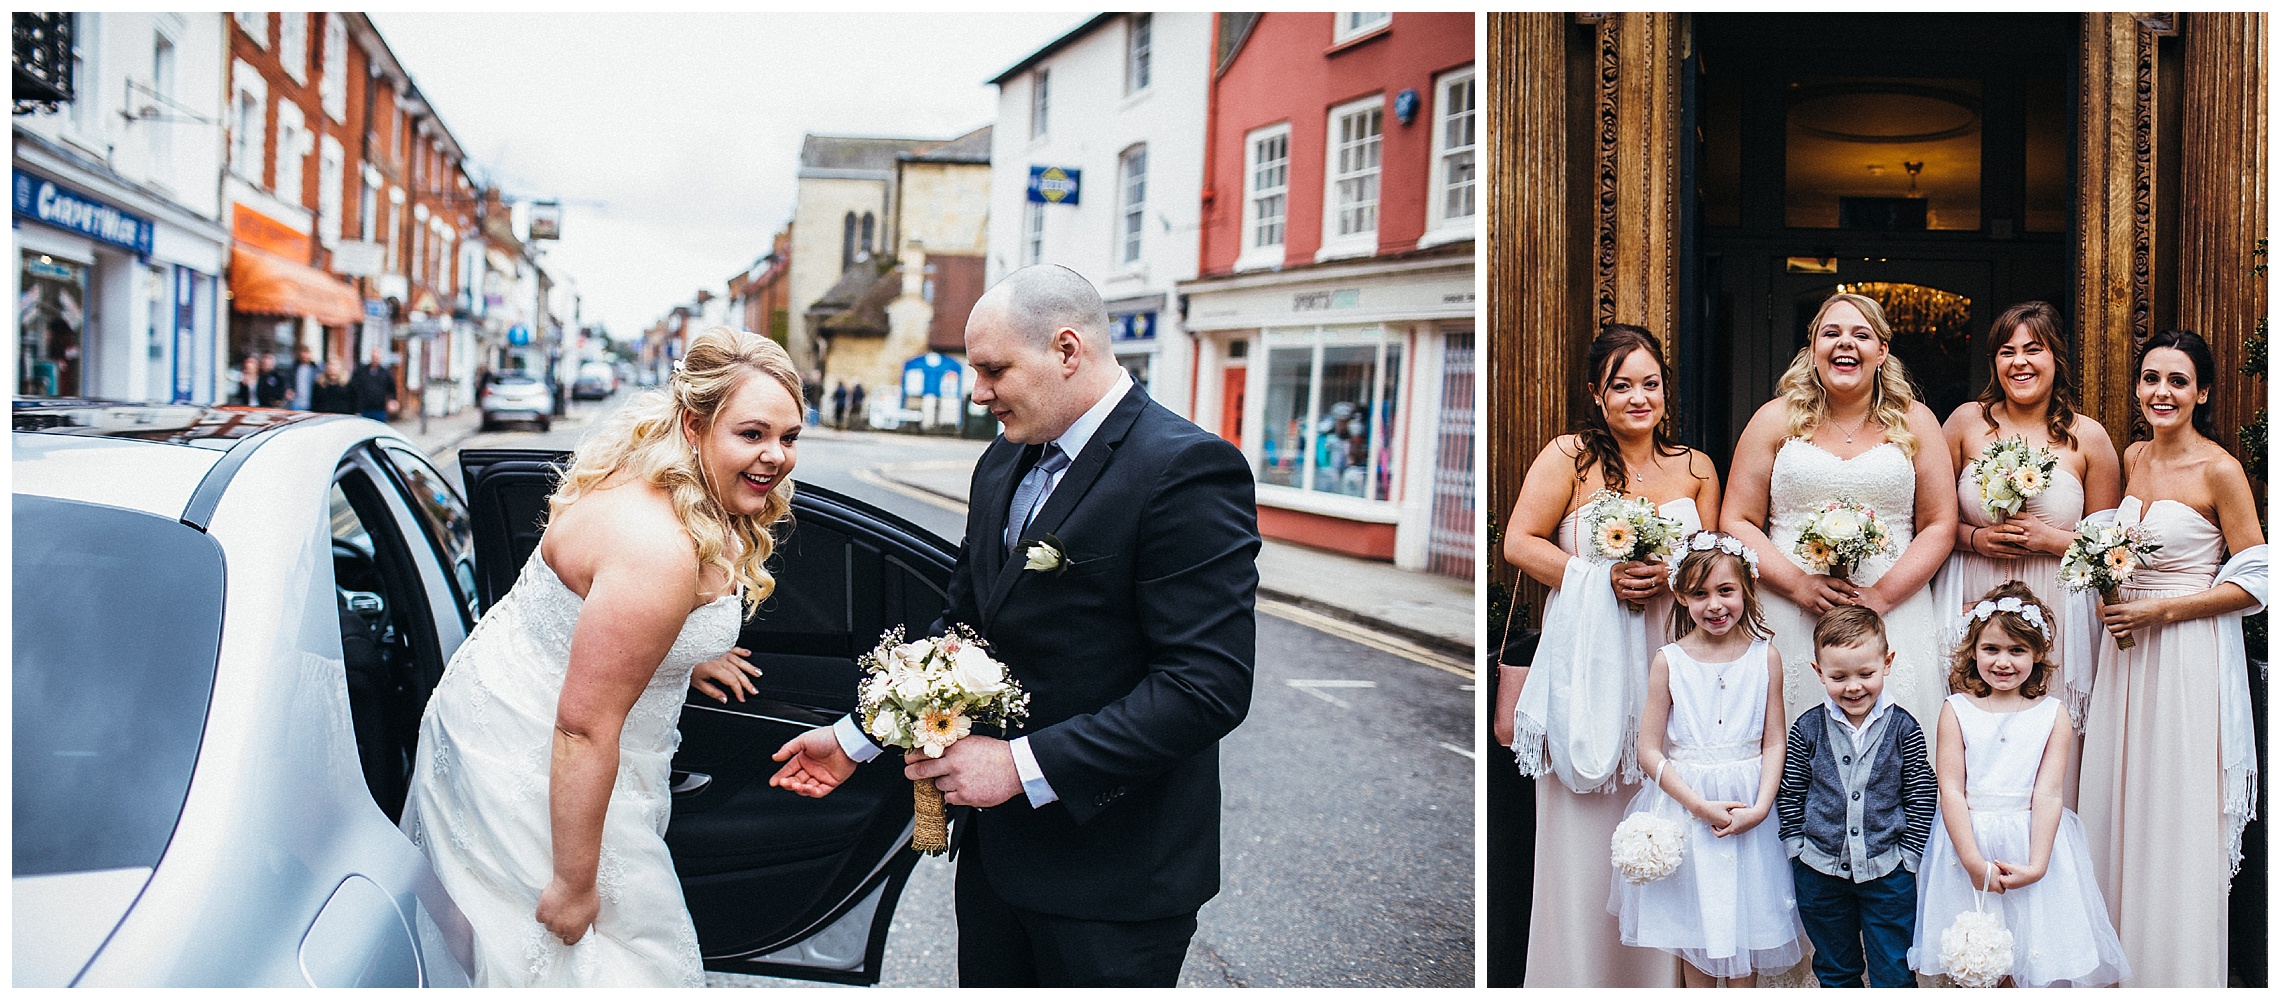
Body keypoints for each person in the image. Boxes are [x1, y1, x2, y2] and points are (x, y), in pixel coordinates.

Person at [767, 264, 1259, 987]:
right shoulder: (1001, 462)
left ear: (1067, 350)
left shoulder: (1185, 469)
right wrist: (854, 739)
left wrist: (1019, 767)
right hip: (1000, 864)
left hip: (1115, 879)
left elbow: (1206, 687)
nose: (978, 392)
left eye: (994, 369)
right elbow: (966, 629)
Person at [397, 327, 804, 985]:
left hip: (503, 701)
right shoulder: (658, 549)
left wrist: (676, 651)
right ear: (694, 425)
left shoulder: (650, 469)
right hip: (535, 759)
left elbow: (601, 612)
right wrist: (573, 880)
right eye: (753, 434)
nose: (776, 457)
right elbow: (582, 728)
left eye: (788, 438)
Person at [1495, 324, 1719, 987]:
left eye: (1649, 384)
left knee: (1665, 822)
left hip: (1669, 658)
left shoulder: (1697, 467)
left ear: (1665, 394)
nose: (1637, 397)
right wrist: (1597, 577)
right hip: (1586, 668)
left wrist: (1675, 578)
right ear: (1597, 394)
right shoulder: (1569, 457)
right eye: (1621, 385)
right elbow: (1520, 542)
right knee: (1586, 839)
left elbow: (1713, 566)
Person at [2074, 329, 2266, 986]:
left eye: (2178, 381)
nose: (2162, 392)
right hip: (2125, 661)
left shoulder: (2219, 470)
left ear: (2202, 392)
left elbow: (2258, 582)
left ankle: (2176, 977)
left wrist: (2161, 611)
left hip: (2186, 659)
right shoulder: (2131, 458)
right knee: (2122, 802)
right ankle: (2116, 971)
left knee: (2176, 811)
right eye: (2151, 378)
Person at [1722, 292, 1957, 731]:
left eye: (1861, 335)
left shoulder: (1916, 421)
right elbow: (1736, 520)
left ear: (1882, 351)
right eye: (1832, 333)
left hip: (1895, 610)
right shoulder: (1775, 419)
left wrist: (1882, 596)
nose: (1845, 343)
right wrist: (1798, 585)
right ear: (1813, 349)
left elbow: (1940, 524)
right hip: (1791, 609)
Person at [1907, 582, 2127, 988]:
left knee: (2027, 957)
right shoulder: (1955, 710)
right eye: (1991, 649)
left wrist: (2038, 865)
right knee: (1972, 958)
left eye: (2017, 651)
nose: (2003, 662)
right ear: (1972, 651)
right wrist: (1973, 861)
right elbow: (1951, 789)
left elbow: (2048, 792)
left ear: (2038, 653)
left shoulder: (2053, 714)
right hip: (1967, 847)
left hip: (2031, 844)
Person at [1611, 533, 1800, 985]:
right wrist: (1697, 805)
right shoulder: (1669, 661)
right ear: (1680, 595)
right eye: (1699, 594)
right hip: (1688, 810)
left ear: (1747, 589)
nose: (1715, 605)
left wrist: (1759, 808)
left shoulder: (1765, 657)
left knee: (1746, 929)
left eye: (1725, 591)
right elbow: (1649, 749)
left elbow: (1774, 741)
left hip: (1749, 808)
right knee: (1694, 930)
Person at [1935, 302, 2121, 741]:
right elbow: (1929, 520)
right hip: (1972, 590)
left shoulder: (2088, 437)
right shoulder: (1965, 423)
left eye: (2032, 349)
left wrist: (2049, 539)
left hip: (2058, 599)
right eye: (2006, 350)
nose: (2019, 362)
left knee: (2048, 733)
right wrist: (1977, 538)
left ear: (2056, 357)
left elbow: (2110, 549)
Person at [1777, 606, 1937, 988]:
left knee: (1894, 972)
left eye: (1866, 674)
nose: (1853, 687)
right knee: (1835, 969)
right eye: (1838, 676)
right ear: (1819, 672)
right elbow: (1792, 789)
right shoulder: (1808, 728)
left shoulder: (1903, 727)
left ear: (1887, 663)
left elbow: (1921, 791)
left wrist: (1910, 856)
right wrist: (1796, 849)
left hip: (1888, 871)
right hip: (1819, 871)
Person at [351, 351, 397, 422]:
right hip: (364, 409)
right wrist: (356, 408)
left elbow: (392, 389)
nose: (375, 359)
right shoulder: (362, 372)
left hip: (379, 409)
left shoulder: (385, 373)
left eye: (377, 358)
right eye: (374, 357)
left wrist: (392, 401)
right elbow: (355, 389)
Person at [287, 345, 318, 411]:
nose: (305, 356)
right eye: (303, 353)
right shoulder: (293, 368)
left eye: (307, 353)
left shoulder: (316, 369)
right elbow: (288, 382)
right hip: (295, 403)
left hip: (311, 404)